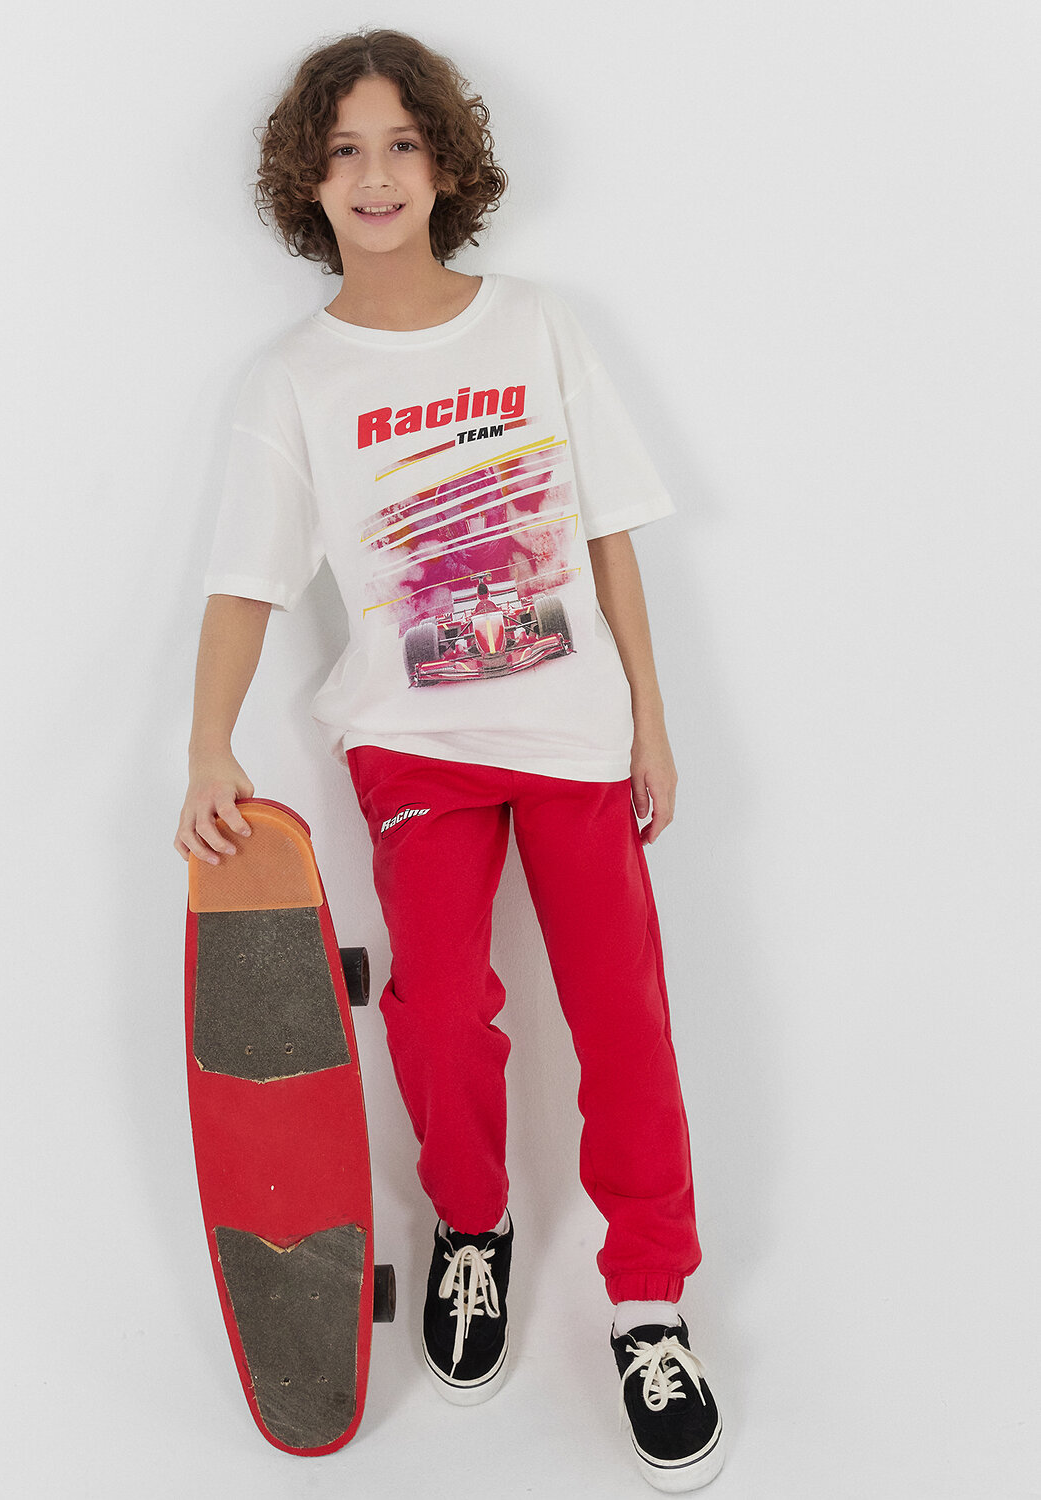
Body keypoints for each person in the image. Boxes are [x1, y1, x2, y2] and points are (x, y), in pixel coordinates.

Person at [175, 27, 724, 1493]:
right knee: (432, 1011)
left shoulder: (537, 325)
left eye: (401, 144)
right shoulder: (293, 378)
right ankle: (471, 1227)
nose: (375, 175)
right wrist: (207, 745)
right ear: (308, 182)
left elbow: (609, 533)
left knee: (622, 1021)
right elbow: (244, 581)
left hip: (573, 735)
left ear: (445, 164)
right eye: (344, 151)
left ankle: (651, 1302)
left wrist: (652, 716)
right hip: (412, 743)